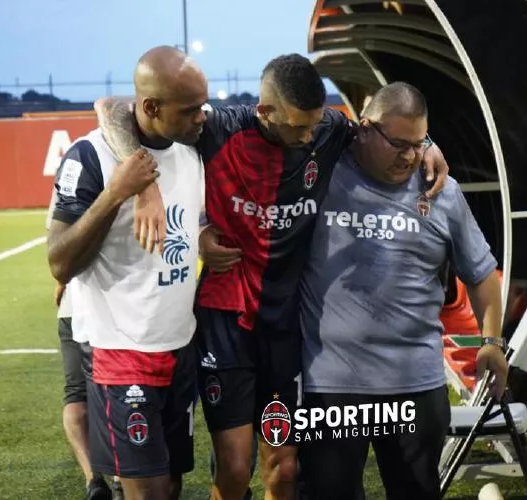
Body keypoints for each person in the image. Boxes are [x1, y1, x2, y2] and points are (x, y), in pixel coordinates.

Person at [94, 52, 451, 500]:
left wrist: (431, 144)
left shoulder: (327, 130)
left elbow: (388, 131)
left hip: (285, 329)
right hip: (226, 324)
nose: (307, 138)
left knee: (283, 468)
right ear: (265, 112)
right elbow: (110, 108)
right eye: (297, 127)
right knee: (235, 466)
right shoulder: (221, 129)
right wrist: (150, 188)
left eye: (313, 125)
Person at [297, 82, 509, 500]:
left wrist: (492, 341)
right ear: (365, 128)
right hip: (331, 386)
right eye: (398, 143)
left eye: (418, 143)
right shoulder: (320, 173)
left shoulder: (440, 190)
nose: (410, 156)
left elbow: (482, 273)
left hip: (415, 382)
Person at [47, 46, 207, 500]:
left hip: (179, 345)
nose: (203, 116)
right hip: (122, 352)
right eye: (191, 109)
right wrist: (117, 193)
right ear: (152, 107)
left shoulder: (194, 147)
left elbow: (114, 105)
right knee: (147, 492)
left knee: (172, 483)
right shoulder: (91, 157)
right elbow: (59, 260)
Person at [47, 176, 125, 500]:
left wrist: (63, 278)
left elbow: (58, 251)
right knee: (118, 393)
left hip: (71, 306)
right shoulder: (121, 175)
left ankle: (94, 478)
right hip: (108, 305)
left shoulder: (69, 182)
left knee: (76, 394)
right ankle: (122, 476)